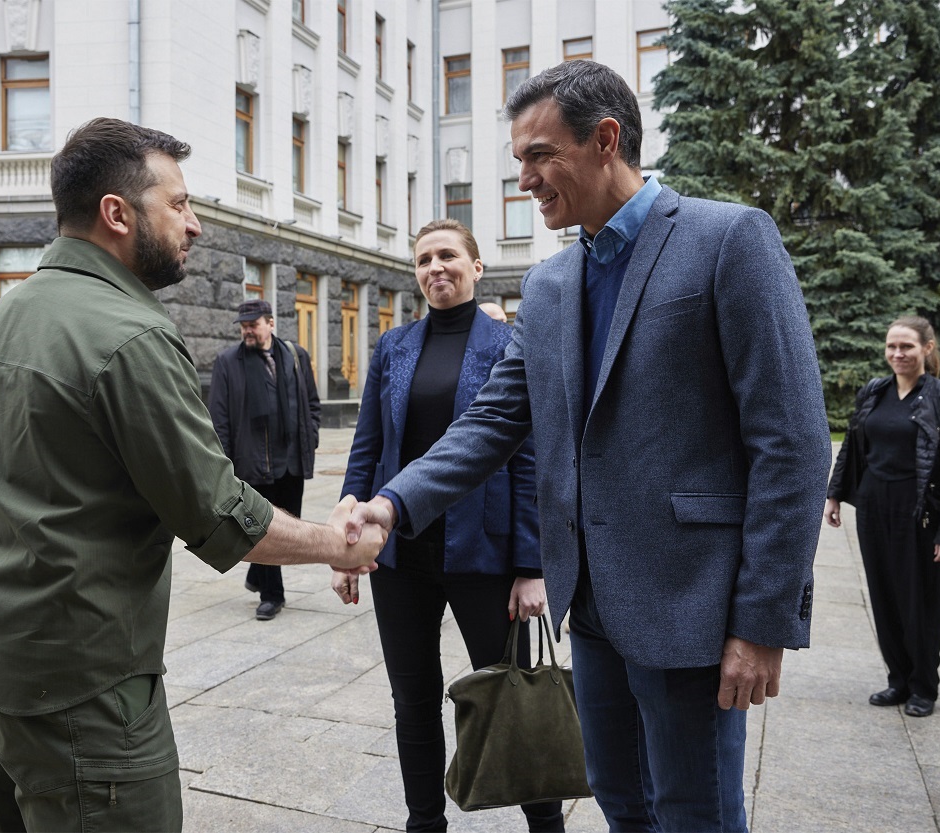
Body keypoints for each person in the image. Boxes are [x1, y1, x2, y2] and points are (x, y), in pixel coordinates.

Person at [345, 60, 831, 832]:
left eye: (540, 156)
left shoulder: (727, 239)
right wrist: (392, 503)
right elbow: (493, 422)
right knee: (619, 797)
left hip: (693, 608)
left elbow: (794, 444)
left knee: (695, 809)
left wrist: (762, 619)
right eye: (518, 162)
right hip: (593, 608)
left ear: (606, 139)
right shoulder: (550, 281)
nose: (525, 180)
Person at [0, 117, 385, 833]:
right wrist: (341, 544)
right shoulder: (132, 334)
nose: (197, 224)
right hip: (84, 692)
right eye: (178, 204)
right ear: (117, 214)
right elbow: (219, 513)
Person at [333, 219, 563, 833]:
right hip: (399, 556)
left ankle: (545, 823)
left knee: (511, 700)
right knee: (411, 703)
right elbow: (368, 449)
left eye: (448, 256)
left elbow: (528, 457)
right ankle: (422, 823)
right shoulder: (394, 346)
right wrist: (346, 542)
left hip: (482, 556)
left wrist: (531, 564)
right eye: (424, 259)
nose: (435, 268)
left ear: (476, 266)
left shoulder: (510, 344)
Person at [825, 319, 940, 717]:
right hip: (875, 511)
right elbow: (853, 447)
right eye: (891, 345)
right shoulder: (874, 393)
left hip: (922, 518)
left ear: (927, 348)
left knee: (922, 605)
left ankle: (923, 686)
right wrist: (835, 493)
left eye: (907, 346)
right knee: (886, 599)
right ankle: (898, 680)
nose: (898, 354)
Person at [209, 298, 322, 620]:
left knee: (291, 528)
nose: (247, 330)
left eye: (253, 324)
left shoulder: (296, 356)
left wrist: (311, 435)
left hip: (292, 461)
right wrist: (225, 465)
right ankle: (273, 596)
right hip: (253, 463)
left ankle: (257, 575)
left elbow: (312, 403)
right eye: (243, 325)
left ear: (270, 324)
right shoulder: (228, 362)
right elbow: (219, 418)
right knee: (265, 531)